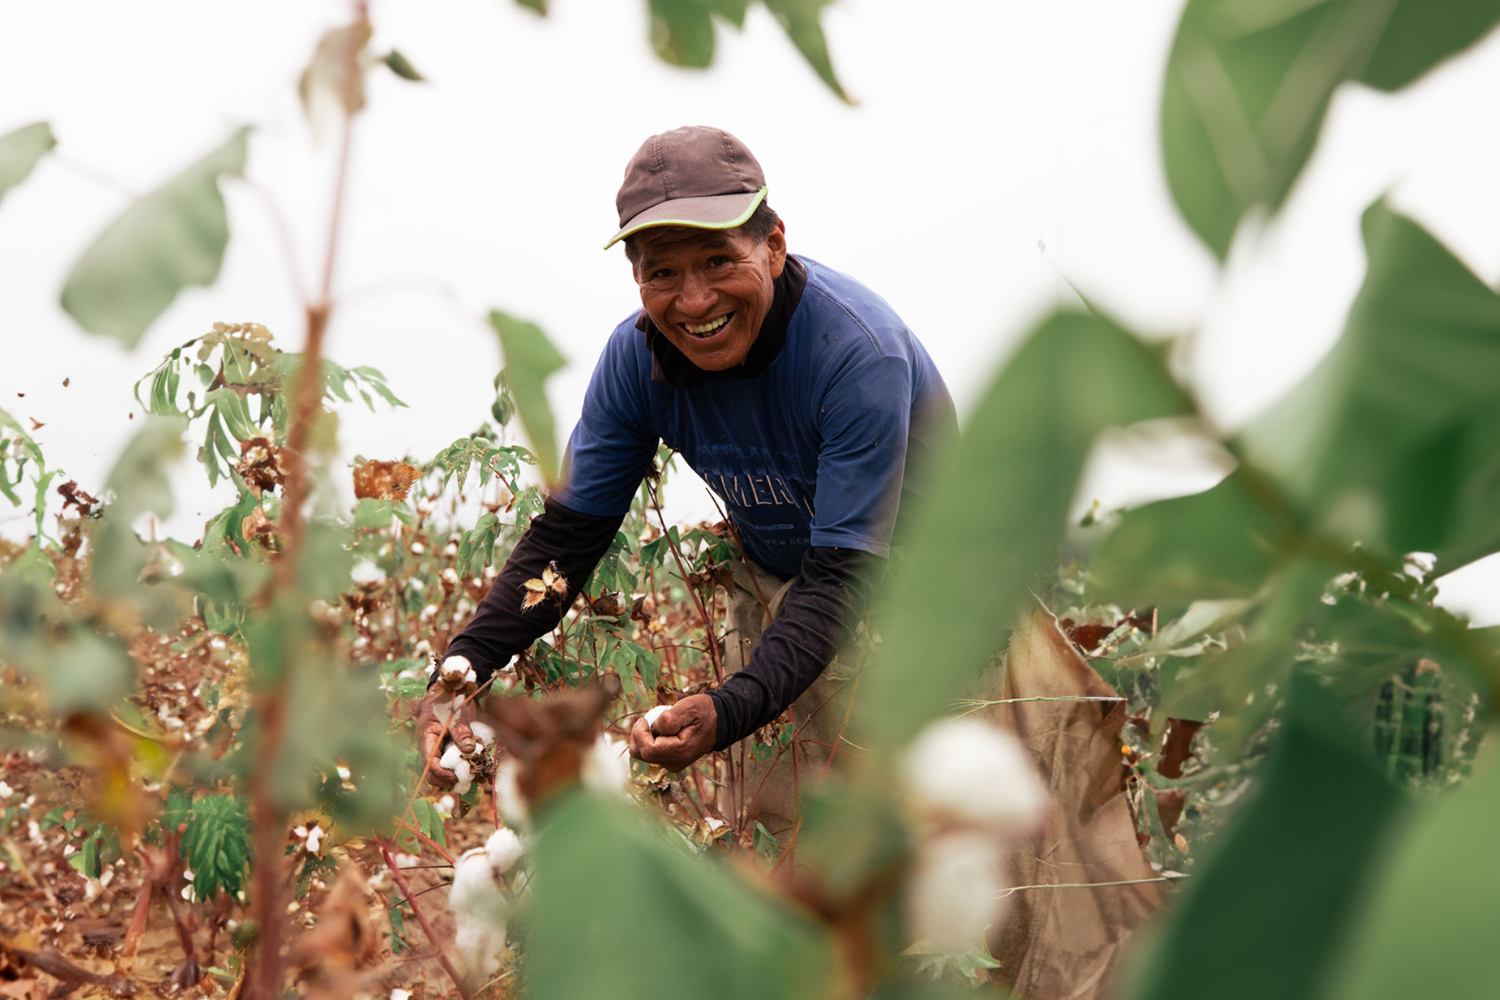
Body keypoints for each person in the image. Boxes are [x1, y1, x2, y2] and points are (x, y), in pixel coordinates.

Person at [417, 126, 955, 821]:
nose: (694, 301)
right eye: (661, 273)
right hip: (787, 603)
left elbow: (842, 578)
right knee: (788, 868)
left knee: (961, 864)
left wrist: (730, 709)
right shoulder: (635, 364)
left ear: (774, 244)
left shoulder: (856, 353)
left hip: (935, 601)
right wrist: (455, 679)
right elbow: (567, 540)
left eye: (718, 260)